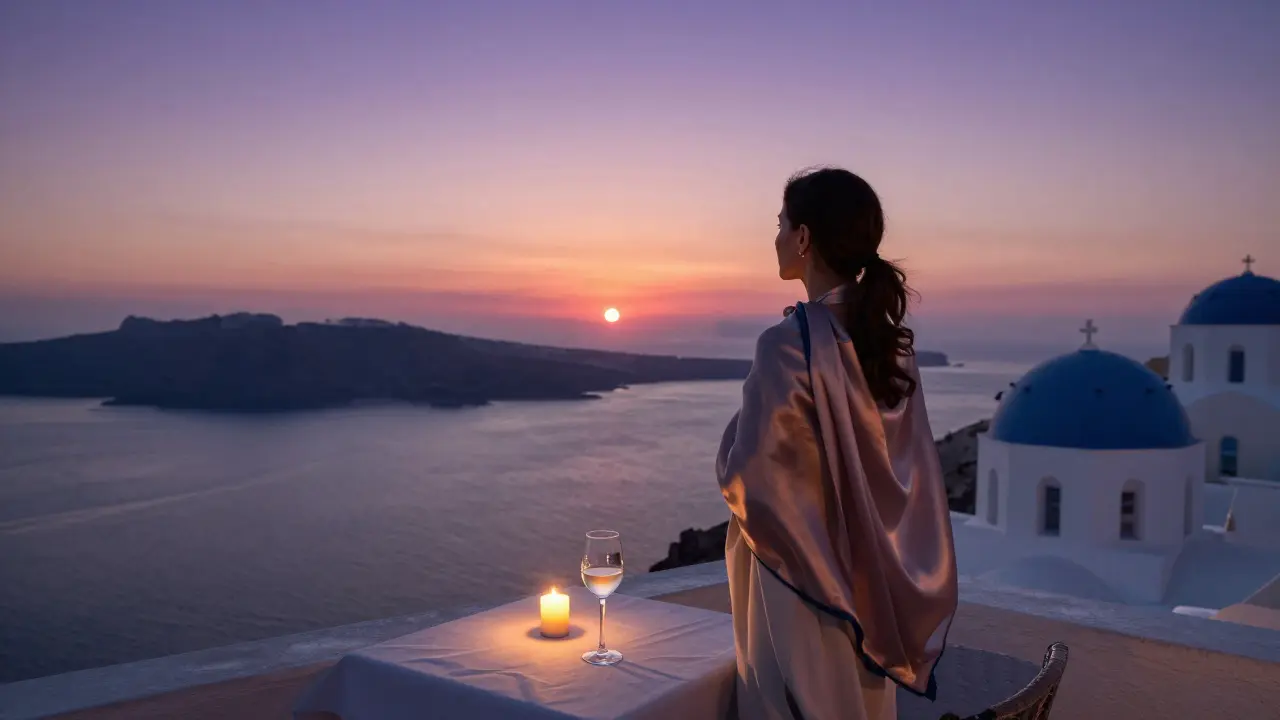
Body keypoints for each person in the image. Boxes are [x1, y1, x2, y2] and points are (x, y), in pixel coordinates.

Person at [717, 167, 958, 720]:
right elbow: (904, 469)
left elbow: (750, 478)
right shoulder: (891, 346)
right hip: (871, 587)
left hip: (802, 586)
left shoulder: (787, 344)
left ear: (803, 237)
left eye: (781, 224)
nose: (776, 237)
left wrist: (732, 435)